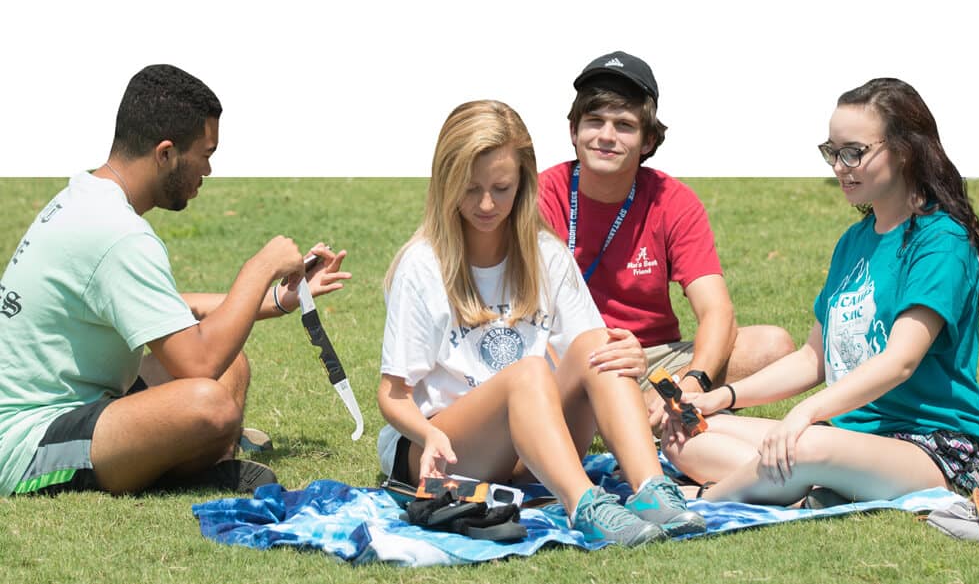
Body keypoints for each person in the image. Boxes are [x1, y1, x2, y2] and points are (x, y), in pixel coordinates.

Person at [0, 64, 350, 497]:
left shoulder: (88, 197)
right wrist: (258, 268)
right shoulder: (118, 234)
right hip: (29, 442)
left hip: (82, 408)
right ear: (165, 153)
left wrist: (278, 297)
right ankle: (180, 465)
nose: (209, 169)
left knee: (230, 367)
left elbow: (165, 307)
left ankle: (186, 458)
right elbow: (198, 363)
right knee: (209, 401)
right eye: (206, 153)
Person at [376, 100, 706, 546]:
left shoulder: (544, 252)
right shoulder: (422, 265)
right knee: (529, 371)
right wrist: (428, 433)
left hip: (531, 442)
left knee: (596, 342)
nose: (487, 204)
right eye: (471, 189)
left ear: (524, 183)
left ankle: (651, 490)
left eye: (502, 187)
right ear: (445, 182)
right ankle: (585, 505)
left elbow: (593, 352)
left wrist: (624, 351)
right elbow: (392, 396)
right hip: (442, 449)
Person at [662, 78, 979, 505]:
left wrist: (806, 413)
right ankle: (810, 486)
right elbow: (812, 358)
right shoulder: (853, 242)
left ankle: (697, 503)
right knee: (685, 432)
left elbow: (900, 361)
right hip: (847, 438)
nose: (840, 166)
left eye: (853, 152)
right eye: (832, 152)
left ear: (905, 150)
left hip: (931, 449)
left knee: (804, 446)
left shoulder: (941, 240)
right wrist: (719, 399)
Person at [538, 51, 796, 433]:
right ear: (573, 131)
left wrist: (690, 383)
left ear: (648, 140)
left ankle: (641, 411)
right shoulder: (543, 194)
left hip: (651, 359)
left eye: (624, 125)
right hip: (565, 357)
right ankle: (621, 415)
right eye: (594, 121)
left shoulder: (672, 200)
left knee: (774, 347)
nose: (606, 136)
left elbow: (717, 313)